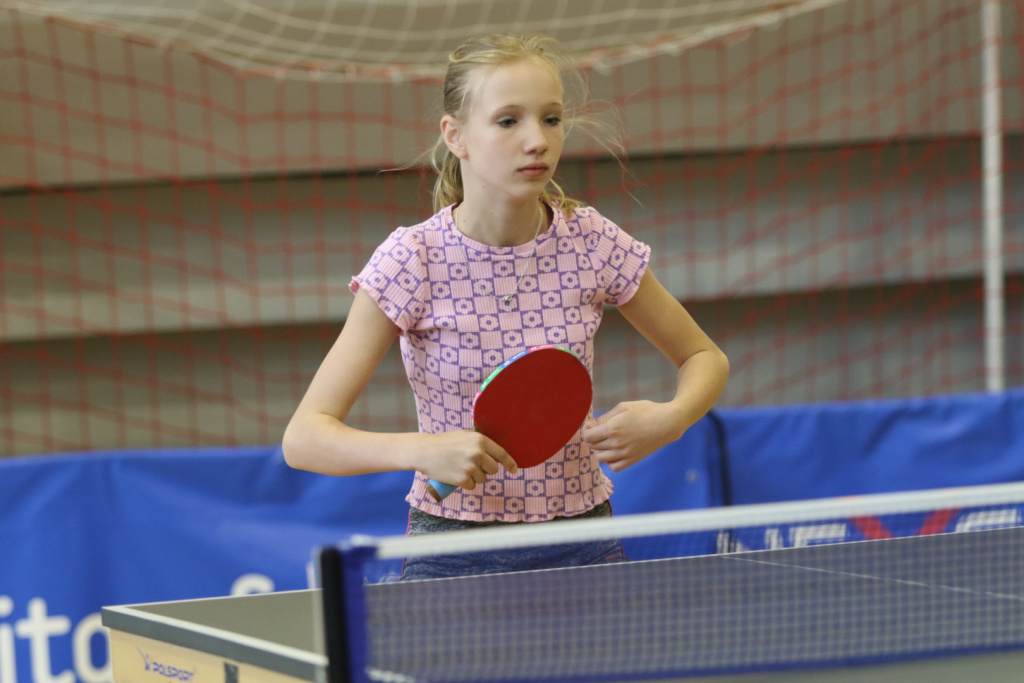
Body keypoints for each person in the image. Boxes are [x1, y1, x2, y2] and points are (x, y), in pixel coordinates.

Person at [282, 33, 729, 578]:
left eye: (551, 118)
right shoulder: (412, 258)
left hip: (582, 540)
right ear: (456, 136)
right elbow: (305, 438)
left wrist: (673, 418)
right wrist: (422, 451)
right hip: (450, 550)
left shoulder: (592, 240)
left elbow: (704, 357)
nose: (537, 140)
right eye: (508, 121)